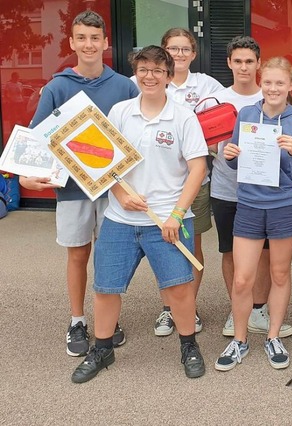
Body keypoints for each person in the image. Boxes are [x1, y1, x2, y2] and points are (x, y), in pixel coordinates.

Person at [71, 45, 208, 383]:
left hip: (169, 221)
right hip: (120, 219)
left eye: (157, 70)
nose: (150, 76)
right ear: (137, 73)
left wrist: (177, 214)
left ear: (168, 74)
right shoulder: (120, 112)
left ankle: (188, 345)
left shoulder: (183, 117)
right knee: (106, 288)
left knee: (179, 289)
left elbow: (197, 168)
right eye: (144, 69)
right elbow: (104, 163)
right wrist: (119, 192)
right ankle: (102, 349)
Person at [21, 11, 138, 357]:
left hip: (112, 187)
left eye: (95, 38)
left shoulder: (124, 86)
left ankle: (107, 317)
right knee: (78, 254)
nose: (89, 44)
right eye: (82, 38)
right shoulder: (57, 87)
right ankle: (77, 319)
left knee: (108, 254)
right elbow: (36, 138)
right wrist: (26, 174)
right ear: (72, 43)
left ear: (106, 43)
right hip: (71, 188)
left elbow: (135, 136)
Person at [215, 56, 292, 371]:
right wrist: (230, 155)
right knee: (243, 279)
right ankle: (240, 340)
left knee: (280, 274)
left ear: (290, 86)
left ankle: (273, 336)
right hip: (250, 204)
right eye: (268, 82)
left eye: (279, 83)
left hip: (284, 206)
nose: (273, 88)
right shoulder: (247, 113)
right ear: (261, 82)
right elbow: (236, 160)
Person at [209, 36, 292, 339]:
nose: (244, 67)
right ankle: (238, 312)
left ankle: (259, 310)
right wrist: (221, 151)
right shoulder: (216, 99)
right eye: (238, 61)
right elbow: (202, 143)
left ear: (258, 64)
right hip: (226, 189)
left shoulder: (273, 93)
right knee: (232, 254)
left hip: (267, 196)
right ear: (229, 63)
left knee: (266, 257)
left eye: (249, 61)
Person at [139, 28, 223, 337]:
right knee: (161, 247)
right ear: (163, 52)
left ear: (194, 53)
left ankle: (188, 306)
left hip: (194, 182)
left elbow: (235, 109)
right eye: (173, 49)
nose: (179, 54)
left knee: (190, 246)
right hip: (155, 185)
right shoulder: (148, 82)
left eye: (185, 49)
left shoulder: (207, 85)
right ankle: (167, 309)